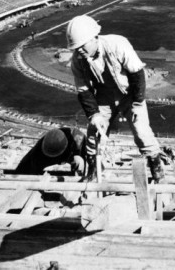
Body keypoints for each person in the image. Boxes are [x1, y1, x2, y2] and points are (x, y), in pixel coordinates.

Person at [66, 15, 165, 182]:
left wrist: (137, 102)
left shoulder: (117, 44)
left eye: (82, 46)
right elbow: (84, 91)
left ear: (94, 38)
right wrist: (94, 115)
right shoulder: (77, 61)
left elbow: (137, 74)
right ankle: (93, 172)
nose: (79, 51)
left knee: (142, 132)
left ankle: (157, 171)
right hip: (103, 98)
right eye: (76, 48)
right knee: (94, 135)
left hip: (129, 95)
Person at [14, 127, 87, 176]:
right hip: (46, 158)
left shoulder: (76, 138)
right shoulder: (38, 152)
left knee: (80, 163)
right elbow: (29, 167)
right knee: (27, 168)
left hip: (70, 154)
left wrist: (77, 155)